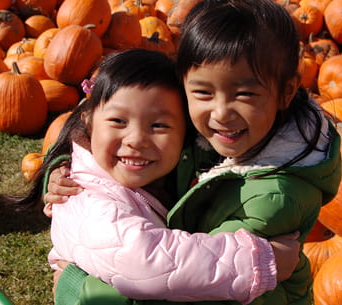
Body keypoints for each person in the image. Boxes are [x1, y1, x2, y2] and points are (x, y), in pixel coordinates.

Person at [43, 0, 342, 304]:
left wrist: (77, 288)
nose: (222, 112)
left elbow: (184, 287)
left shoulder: (274, 199)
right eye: (203, 92)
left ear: (287, 92)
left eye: (245, 94)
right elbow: (114, 110)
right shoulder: (207, 133)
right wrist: (66, 167)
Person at [20, 48, 302, 305]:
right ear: (88, 122)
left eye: (158, 125)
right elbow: (144, 259)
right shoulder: (85, 199)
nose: (136, 140)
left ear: (185, 134)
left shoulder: (169, 169)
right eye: (118, 121)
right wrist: (259, 261)